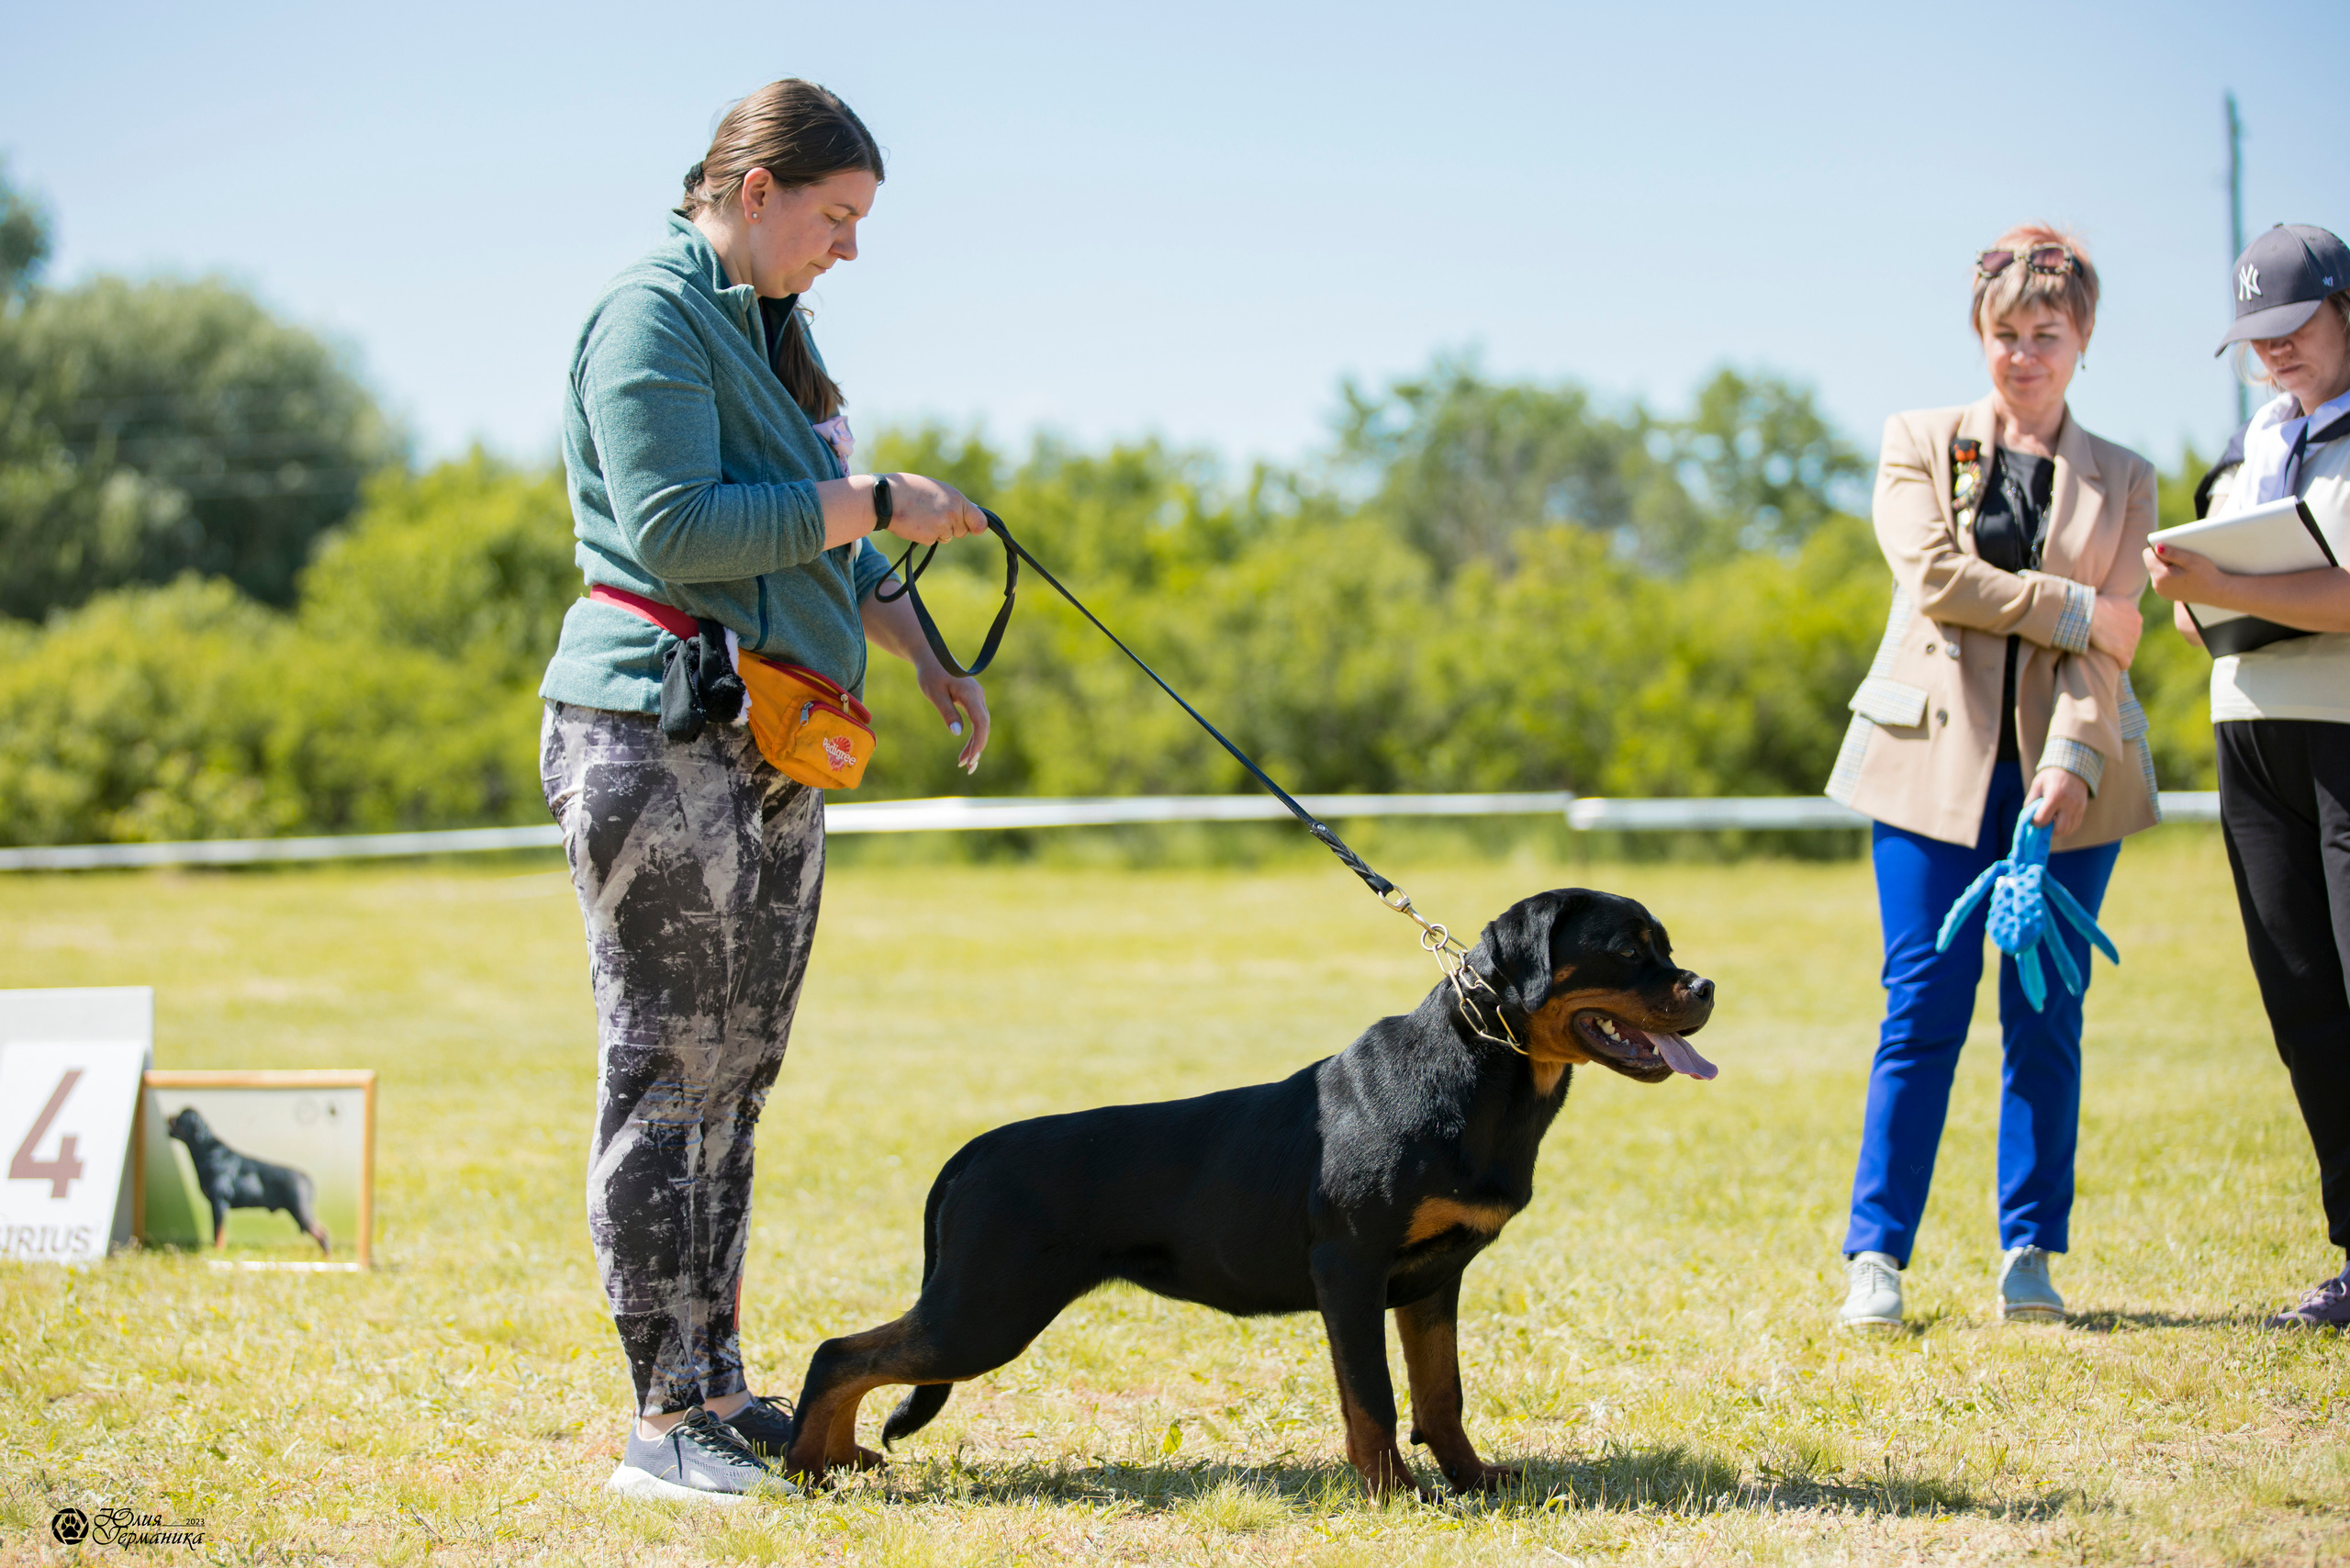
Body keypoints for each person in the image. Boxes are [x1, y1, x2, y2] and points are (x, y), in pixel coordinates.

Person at [537, 79, 996, 1502]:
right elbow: (679, 528)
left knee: (738, 1075)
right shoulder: (648, 315)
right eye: (836, 218)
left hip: (781, 741)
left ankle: (722, 1390)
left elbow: (826, 549)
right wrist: (881, 501)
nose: (846, 250)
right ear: (755, 192)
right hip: (655, 732)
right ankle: (664, 1422)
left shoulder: (776, 332)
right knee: (667, 1073)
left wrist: (922, 651)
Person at [1825, 224, 2160, 1329]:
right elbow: (1936, 580)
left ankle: (2029, 1252)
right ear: (1980, 335)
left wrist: (2069, 760)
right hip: (1929, 769)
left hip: (2070, 782)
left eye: (2045, 334)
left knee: (2045, 1012)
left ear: (2083, 340)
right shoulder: (1916, 440)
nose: (2023, 354)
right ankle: (1876, 1255)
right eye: (2005, 333)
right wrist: (2076, 606)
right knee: (1920, 1005)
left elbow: (2106, 661)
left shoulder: (2126, 478)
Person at [2145, 222, 2350, 1330]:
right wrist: (2191, 587)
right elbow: (2199, 616)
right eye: (2256, 338)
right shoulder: (2252, 446)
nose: (2275, 353)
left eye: (2295, 327)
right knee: (2303, 1005)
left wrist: (2226, 578)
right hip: (2249, 738)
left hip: (2343, 731)